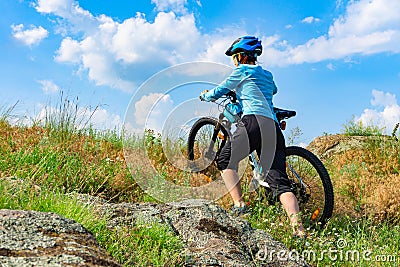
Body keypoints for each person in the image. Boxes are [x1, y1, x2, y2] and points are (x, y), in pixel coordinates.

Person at [199, 36, 305, 237]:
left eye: (234, 57)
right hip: (272, 127)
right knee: (281, 185)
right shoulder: (267, 75)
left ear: (240, 56)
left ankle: (239, 204)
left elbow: (219, 91)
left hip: (253, 122)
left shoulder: (241, 71)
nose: (234, 61)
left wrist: (205, 95)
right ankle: (299, 230)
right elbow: (274, 90)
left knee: (224, 160)